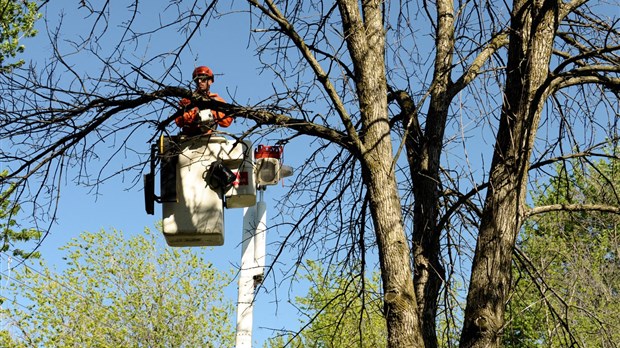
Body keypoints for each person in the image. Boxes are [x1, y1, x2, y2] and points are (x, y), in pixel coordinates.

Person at [175, 65, 233, 136]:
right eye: (197, 79)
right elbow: (179, 121)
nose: (199, 81)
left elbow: (226, 122)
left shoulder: (217, 100)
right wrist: (195, 113)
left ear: (210, 81)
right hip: (189, 138)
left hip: (209, 138)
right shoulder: (187, 100)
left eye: (203, 79)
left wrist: (212, 111)